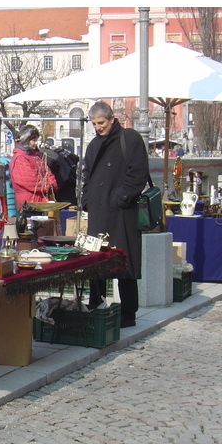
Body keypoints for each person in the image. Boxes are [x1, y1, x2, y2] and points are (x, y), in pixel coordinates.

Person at [81, 100, 150, 328]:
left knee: (124, 263)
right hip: (99, 213)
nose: (97, 127)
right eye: (94, 123)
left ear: (112, 119)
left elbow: (138, 173)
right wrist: (87, 201)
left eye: (101, 123)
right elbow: (87, 175)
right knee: (96, 263)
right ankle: (96, 306)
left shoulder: (130, 139)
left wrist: (120, 198)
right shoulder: (93, 145)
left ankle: (128, 314)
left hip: (122, 213)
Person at [9, 125, 58, 208]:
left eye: (36, 140)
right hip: (28, 202)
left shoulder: (35, 156)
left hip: (40, 200)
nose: (36, 143)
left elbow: (48, 173)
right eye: (33, 140)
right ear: (26, 140)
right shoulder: (20, 158)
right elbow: (30, 181)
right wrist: (49, 186)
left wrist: (52, 185)